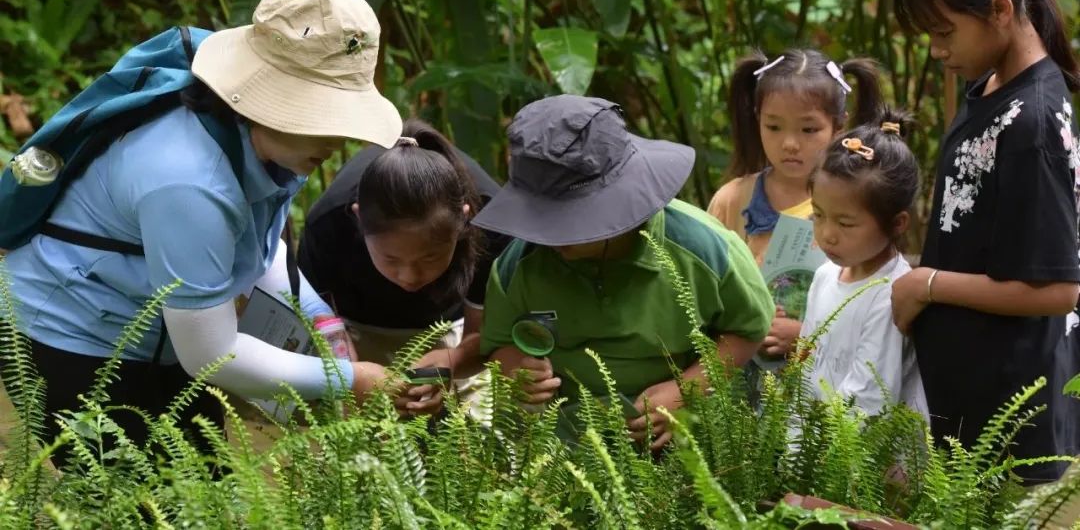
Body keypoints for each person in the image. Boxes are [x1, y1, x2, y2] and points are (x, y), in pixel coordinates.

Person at [1, 0, 441, 463]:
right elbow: (212, 354)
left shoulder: (266, 141)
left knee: (204, 485)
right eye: (326, 115)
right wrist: (348, 380)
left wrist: (321, 319)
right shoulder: (189, 181)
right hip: (73, 339)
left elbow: (257, 242)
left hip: (165, 333)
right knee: (139, 496)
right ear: (272, 100)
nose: (339, 140)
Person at [891, 0, 1080, 482]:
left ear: (999, 10)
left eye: (945, 32)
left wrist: (926, 284)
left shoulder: (1032, 125)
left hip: (1014, 421)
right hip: (973, 400)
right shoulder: (995, 83)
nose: (936, 50)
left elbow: (1058, 289)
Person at [473, 95, 774, 449]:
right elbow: (498, 344)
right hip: (571, 442)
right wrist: (517, 370)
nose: (552, 236)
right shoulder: (520, 265)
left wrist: (685, 390)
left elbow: (749, 329)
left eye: (567, 221)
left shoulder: (702, 249)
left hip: (689, 435)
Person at [298, 118, 510, 384]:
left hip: (452, 328)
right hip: (358, 325)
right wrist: (349, 376)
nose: (409, 276)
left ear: (464, 220)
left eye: (430, 257)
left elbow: (488, 333)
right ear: (358, 218)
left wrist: (454, 362)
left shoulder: (491, 222)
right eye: (391, 258)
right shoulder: (328, 223)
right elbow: (320, 323)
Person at [707, 49, 884, 359]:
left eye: (808, 129)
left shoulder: (858, 207)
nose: (789, 143)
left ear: (838, 128)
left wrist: (807, 338)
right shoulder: (731, 200)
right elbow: (704, 293)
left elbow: (873, 307)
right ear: (758, 120)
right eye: (774, 127)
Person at [800, 111, 927, 419]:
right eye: (818, 215)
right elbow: (803, 367)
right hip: (818, 440)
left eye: (845, 223)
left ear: (896, 223)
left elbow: (870, 398)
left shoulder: (891, 293)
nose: (827, 234)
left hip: (862, 445)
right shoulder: (825, 276)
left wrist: (818, 440)